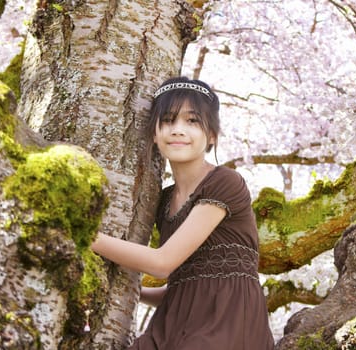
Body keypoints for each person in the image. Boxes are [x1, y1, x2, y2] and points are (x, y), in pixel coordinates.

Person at [91, 76, 275, 349]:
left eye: (192, 121)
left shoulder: (224, 182)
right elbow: (189, 286)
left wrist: (85, 237)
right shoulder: (163, 201)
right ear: (154, 133)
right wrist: (133, 292)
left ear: (212, 135)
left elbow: (162, 263)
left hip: (228, 324)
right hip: (174, 324)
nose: (177, 130)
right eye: (167, 120)